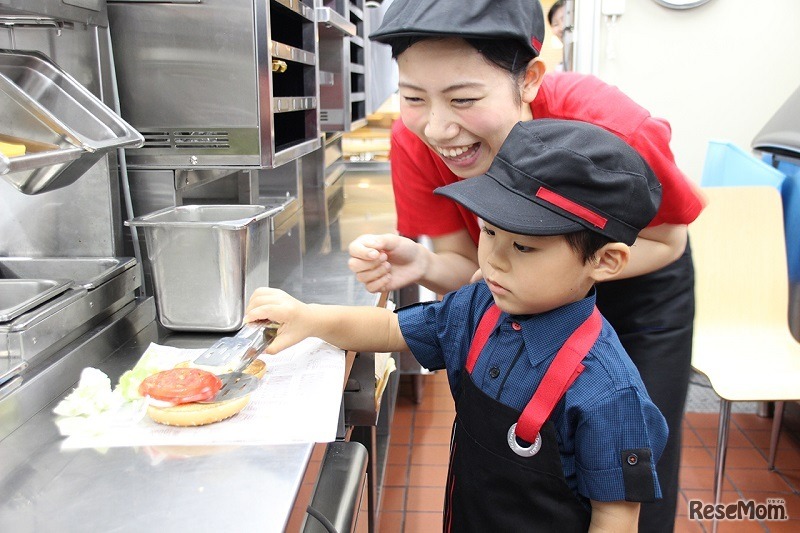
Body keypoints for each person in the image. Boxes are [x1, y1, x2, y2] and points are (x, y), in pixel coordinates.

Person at [346, 0, 705, 531]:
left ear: (530, 79)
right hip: (518, 286)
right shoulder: (415, 141)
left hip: (639, 285)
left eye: (463, 99)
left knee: (629, 475)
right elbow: (467, 266)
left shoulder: (609, 126)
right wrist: (423, 262)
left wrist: (561, 272)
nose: (438, 128)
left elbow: (668, 241)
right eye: (413, 97)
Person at [246, 119, 669, 533]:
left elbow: (615, 518)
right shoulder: (479, 307)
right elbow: (391, 330)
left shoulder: (609, 394)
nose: (494, 260)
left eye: (523, 246)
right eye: (489, 232)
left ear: (604, 261)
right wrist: (312, 317)